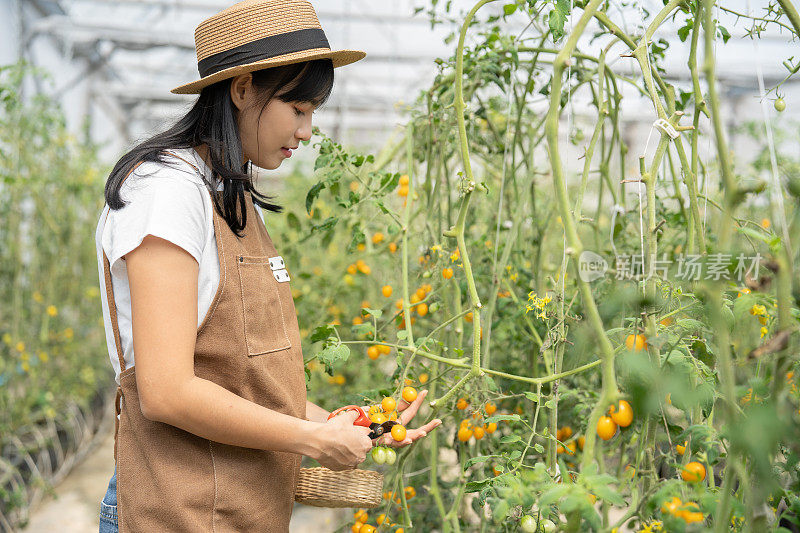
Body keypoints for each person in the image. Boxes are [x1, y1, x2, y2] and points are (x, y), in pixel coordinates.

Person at [94, 1, 442, 531]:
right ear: (242, 89)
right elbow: (166, 391)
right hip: (175, 511)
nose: (306, 132)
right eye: (298, 109)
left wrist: (350, 425)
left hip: (238, 506)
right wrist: (314, 440)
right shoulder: (165, 193)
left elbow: (235, 373)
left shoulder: (227, 194)